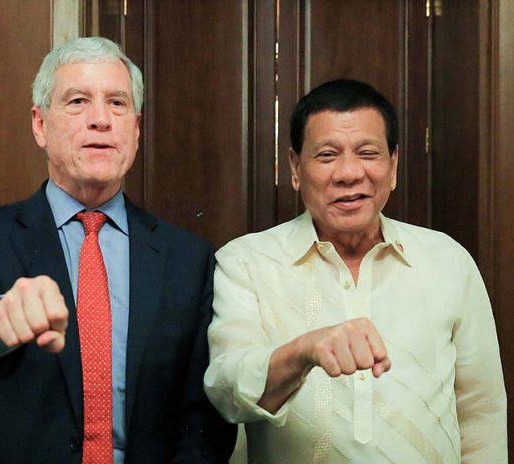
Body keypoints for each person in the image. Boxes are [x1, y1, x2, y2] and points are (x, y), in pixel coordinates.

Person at [0, 36, 236, 464]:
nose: (101, 119)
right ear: (40, 125)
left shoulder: (189, 258)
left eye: (117, 103)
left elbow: (204, 418)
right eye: (77, 101)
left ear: (135, 128)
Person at [204, 79, 507, 463]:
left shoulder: (448, 261)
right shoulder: (246, 262)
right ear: (296, 167)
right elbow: (227, 390)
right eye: (327, 155)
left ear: (393, 165)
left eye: (368, 153)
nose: (349, 173)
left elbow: (481, 413)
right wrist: (304, 351)